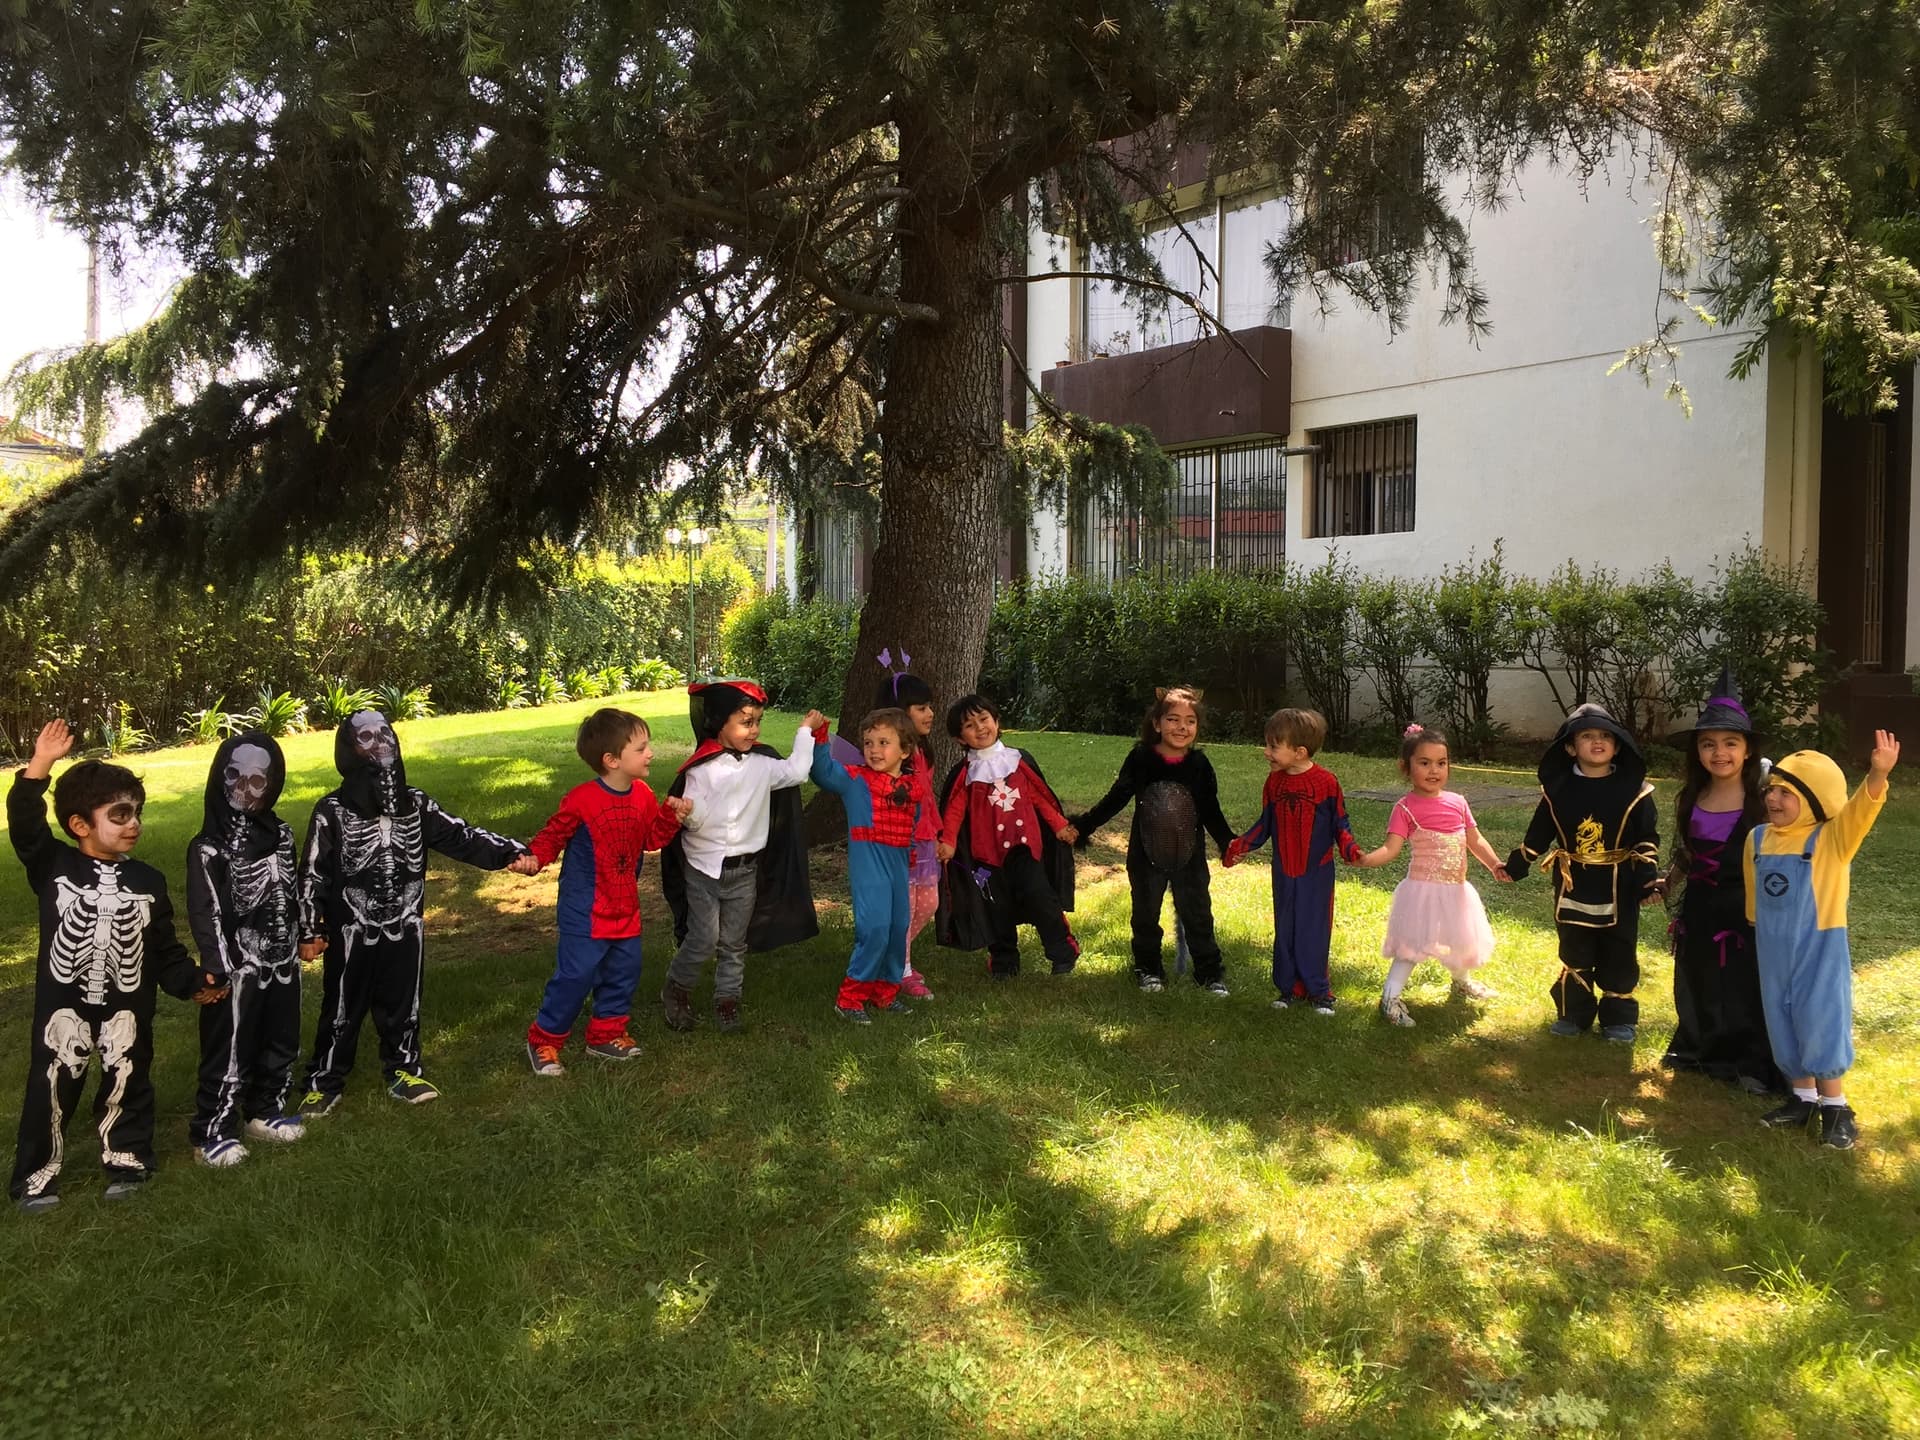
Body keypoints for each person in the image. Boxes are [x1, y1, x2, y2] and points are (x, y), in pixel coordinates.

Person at [9, 719, 223, 1210]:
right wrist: (39, 765)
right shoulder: (54, 867)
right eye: (120, 814)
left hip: (128, 1006)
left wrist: (193, 983)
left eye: (137, 813)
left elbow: (163, 948)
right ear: (80, 825)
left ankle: (127, 1158)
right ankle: (36, 1177)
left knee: (128, 1078)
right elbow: (25, 823)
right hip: (63, 1008)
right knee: (53, 1088)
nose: (134, 823)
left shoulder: (148, 879)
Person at [296, 710, 534, 1116]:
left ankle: (404, 1068)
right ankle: (325, 1078)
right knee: (341, 1005)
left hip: (405, 922)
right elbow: (312, 873)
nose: (380, 743)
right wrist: (309, 927)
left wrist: (511, 851)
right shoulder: (332, 811)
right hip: (352, 924)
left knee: (403, 1001)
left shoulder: (414, 804)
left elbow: (460, 835)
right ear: (348, 749)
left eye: (385, 734)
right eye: (366, 738)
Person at [1745, 731, 1899, 1150]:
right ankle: (1803, 1098)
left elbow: (1860, 813)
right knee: (1782, 1020)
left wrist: (1878, 773)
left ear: (1814, 800)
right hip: (1773, 949)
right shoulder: (1757, 840)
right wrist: (1761, 931)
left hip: (1819, 947)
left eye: (1787, 793)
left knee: (1820, 1020)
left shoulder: (1832, 840)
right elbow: (1754, 898)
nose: (1773, 799)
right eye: (1772, 790)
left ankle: (1836, 1106)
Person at [522, 709, 691, 1076]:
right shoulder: (582, 799)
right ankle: (544, 1040)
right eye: (642, 748)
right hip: (584, 907)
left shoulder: (643, 795)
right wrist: (535, 857)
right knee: (576, 974)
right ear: (612, 760)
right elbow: (555, 835)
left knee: (624, 969)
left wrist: (670, 818)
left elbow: (650, 841)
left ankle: (606, 1034)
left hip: (624, 904)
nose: (650, 754)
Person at [658, 681, 824, 1033]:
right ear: (719, 721)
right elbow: (699, 822)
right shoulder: (699, 771)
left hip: (745, 872)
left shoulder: (762, 765)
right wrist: (688, 812)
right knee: (703, 938)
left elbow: (796, 772)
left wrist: (804, 732)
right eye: (746, 722)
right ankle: (677, 987)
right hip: (703, 871)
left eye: (757, 721)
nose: (755, 730)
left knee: (734, 942)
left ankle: (728, 1001)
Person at [1505, 703, 1661, 1044]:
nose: (1597, 742)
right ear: (1570, 747)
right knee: (1575, 948)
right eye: (1587, 736)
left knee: (1619, 949)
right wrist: (1519, 863)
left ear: (1618, 745)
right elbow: (1538, 835)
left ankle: (1619, 1019)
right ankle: (1574, 1014)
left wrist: (1648, 875)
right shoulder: (1557, 792)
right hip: (1572, 882)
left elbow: (1647, 838)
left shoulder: (1637, 792)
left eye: (1605, 736)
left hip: (1619, 884)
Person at [186, 730, 307, 1168]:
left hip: (282, 957)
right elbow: (207, 911)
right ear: (220, 778)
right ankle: (212, 1130)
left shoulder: (281, 835)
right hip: (238, 966)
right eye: (234, 776)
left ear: (272, 783)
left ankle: (266, 1110)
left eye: (258, 780)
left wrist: (307, 933)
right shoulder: (208, 847)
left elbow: (293, 891)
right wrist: (218, 967)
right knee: (230, 1048)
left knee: (281, 1037)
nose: (244, 789)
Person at [1657, 671, 1780, 1093]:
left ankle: (1749, 1062)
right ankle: (1700, 1048)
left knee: (1743, 985)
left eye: (1730, 743)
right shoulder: (1692, 796)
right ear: (1697, 751)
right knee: (1700, 977)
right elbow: (1687, 853)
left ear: (1748, 751)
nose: (1719, 752)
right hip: (1701, 908)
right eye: (1708, 744)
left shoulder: (1763, 802)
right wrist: (1668, 882)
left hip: (1744, 911)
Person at [1069, 686, 1236, 994]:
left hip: (1190, 854)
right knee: (1145, 912)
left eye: (1190, 721)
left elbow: (1211, 810)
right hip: (1146, 852)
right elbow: (1117, 797)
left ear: (1197, 727)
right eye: (1173, 720)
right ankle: (1148, 969)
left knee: (1198, 912)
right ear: (1157, 724)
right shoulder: (1141, 758)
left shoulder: (1200, 766)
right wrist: (1085, 826)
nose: (1181, 727)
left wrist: (1228, 841)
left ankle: (1210, 974)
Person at [1352, 724, 1507, 1027]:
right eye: (1424, 763)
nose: (1434, 770)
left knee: (1459, 939)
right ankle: (1390, 997)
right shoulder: (1405, 808)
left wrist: (1495, 865)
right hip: (1422, 892)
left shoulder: (1459, 802)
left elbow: (1475, 840)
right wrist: (1367, 860)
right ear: (1406, 767)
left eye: (1441, 763)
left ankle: (1461, 981)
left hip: (1456, 890)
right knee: (1411, 946)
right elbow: (1391, 848)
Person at [1224, 708, 1361, 1014]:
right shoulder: (1274, 784)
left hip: (1317, 872)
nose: (1266, 752)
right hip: (1283, 871)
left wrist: (1349, 849)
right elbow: (1265, 823)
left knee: (1314, 927)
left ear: (1299, 752)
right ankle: (1288, 988)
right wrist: (1241, 845)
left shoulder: (1327, 782)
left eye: (1274, 746)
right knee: (1285, 927)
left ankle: (1319, 990)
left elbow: (1341, 822)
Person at [934, 693, 1080, 979]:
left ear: (997, 721)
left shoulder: (1017, 761)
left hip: (1025, 849)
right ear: (960, 739)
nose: (980, 728)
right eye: (969, 725)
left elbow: (1039, 796)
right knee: (994, 908)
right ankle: (1004, 961)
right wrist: (949, 841)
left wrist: (1060, 825)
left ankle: (1062, 950)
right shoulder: (966, 774)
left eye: (984, 719)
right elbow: (954, 810)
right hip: (986, 857)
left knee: (1040, 897)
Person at [810, 708, 931, 1021]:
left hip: (898, 865)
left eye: (883, 742)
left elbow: (912, 823)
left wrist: (913, 852)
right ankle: (850, 998)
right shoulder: (855, 781)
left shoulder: (911, 789)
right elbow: (822, 772)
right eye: (868, 743)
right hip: (869, 865)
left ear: (905, 750)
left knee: (896, 928)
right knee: (874, 928)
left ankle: (885, 993)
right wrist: (820, 736)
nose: (874, 750)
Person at [873, 658, 940, 1000]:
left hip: (926, 839)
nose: (930, 714)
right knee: (905, 907)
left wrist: (938, 834)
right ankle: (901, 971)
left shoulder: (923, 751)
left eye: (930, 707)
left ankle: (894, 957)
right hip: (900, 842)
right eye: (921, 707)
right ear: (900, 712)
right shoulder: (887, 756)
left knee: (928, 904)